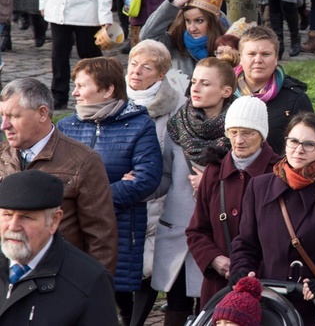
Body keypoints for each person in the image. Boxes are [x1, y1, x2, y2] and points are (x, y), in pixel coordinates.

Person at [230, 112, 315, 326]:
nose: (299, 149)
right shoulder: (259, 187)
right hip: (269, 308)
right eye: (293, 141)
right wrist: (241, 270)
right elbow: (245, 242)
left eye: (309, 144)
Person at [56, 57, 163, 325]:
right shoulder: (67, 126)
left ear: (107, 90)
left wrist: (89, 198)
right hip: (73, 228)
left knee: (116, 293)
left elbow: (145, 179)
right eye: (75, 85)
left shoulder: (138, 124)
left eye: (82, 86)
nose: (75, 92)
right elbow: (56, 177)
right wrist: (106, 189)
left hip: (120, 227)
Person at [0, 78, 118, 275]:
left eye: (13, 116)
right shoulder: (2, 155)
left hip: (58, 277)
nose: (4, 125)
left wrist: (96, 291)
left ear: (42, 114)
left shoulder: (83, 161)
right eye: (2, 115)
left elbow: (101, 236)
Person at [152, 56, 236, 324]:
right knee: (175, 307)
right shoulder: (178, 124)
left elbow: (252, 180)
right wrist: (141, 184)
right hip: (177, 231)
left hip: (218, 234)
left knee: (213, 307)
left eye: (205, 83)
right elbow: (165, 176)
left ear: (226, 91)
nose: (195, 89)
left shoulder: (240, 130)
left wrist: (212, 183)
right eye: (194, 82)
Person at [186, 96, 280, 305]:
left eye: (247, 132)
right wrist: (215, 260)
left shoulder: (279, 173)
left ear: (262, 135)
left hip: (266, 287)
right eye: (233, 132)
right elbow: (196, 230)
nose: (238, 140)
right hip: (220, 288)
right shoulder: (214, 172)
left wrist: (251, 268)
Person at [0, 170, 118, 325]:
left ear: (54, 221)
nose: (13, 226)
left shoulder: (90, 281)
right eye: (7, 215)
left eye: (26, 217)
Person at [125, 39, 188, 326]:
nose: (136, 72)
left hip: (159, 197)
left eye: (145, 67)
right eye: (133, 65)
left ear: (161, 74)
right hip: (121, 193)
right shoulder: (113, 99)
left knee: (149, 267)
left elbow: (175, 159)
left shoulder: (177, 106)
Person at [234, 25, 314, 155]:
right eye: (251, 54)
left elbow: (308, 147)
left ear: (276, 58)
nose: (258, 60)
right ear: (240, 58)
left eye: (265, 54)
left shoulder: (295, 99)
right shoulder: (224, 92)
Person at [140, 0, 226, 75]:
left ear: (214, 19)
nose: (192, 28)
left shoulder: (228, 46)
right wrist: (176, 3)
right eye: (188, 21)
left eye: (199, 21)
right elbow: (147, 36)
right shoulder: (176, 43)